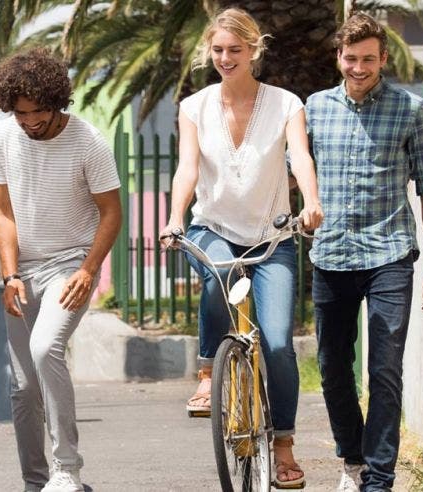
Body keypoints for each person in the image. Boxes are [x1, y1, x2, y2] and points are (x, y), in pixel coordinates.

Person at [159, 8, 323, 489]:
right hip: (214, 226)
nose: (226, 58)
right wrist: (173, 218)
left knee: (276, 344)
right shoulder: (196, 107)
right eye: (218, 50)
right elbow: (187, 168)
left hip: (272, 236)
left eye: (235, 50)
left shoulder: (286, 103)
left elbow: (300, 158)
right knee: (219, 270)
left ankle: (285, 445)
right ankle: (209, 371)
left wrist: (311, 202)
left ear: (254, 50)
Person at [305, 12, 423, 492]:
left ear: (384, 59)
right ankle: (353, 459)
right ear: (338, 57)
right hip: (330, 256)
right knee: (331, 367)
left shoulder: (411, 110)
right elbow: (298, 174)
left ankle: (379, 480)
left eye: (368, 59)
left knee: (384, 370)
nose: (358, 67)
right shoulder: (315, 108)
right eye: (350, 58)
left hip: (389, 255)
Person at [0, 48, 122, 492]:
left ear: (57, 101)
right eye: (20, 113)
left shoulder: (88, 142)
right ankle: (35, 481)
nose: (29, 121)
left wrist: (89, 268)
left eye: (37, 111)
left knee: (46, 349)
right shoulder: (2, 137)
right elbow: (1, 213)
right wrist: (9, 275)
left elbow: (112, 213)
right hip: (20, 270)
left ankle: (67, 470)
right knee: (22, 388)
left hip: (69, 265)